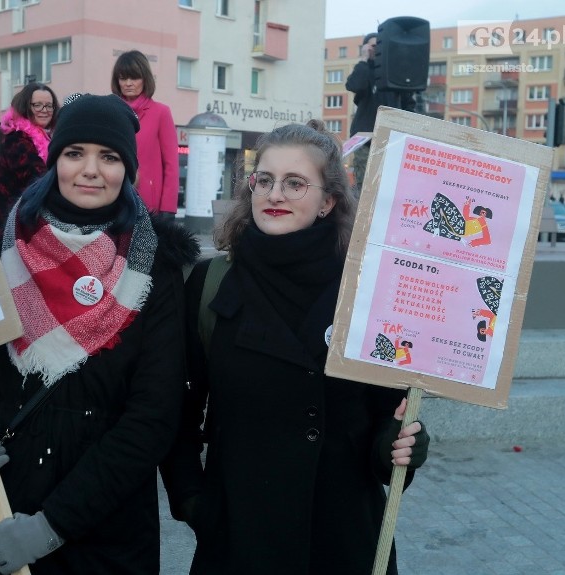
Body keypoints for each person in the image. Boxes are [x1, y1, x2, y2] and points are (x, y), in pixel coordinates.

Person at [160, 121, 430, 574]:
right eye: (263, 180)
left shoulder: (366, 289)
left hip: (342, 539)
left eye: (294, 183)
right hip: (241, 537)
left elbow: (387, 411)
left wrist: (399, 446)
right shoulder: (211, 284)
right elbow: (178, 407)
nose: (275, 194)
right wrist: (193, 500)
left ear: (328, 201)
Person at [0, 94, 199, 574]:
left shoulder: (155, 267)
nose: (90, 169)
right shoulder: (4, 248)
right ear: (54, 160)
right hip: (4, 505)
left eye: (109, 157)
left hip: (105, 526)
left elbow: (153, 416)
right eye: (74, 153)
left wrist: (52, 525)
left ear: (128, 169)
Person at [0, 82, 59, 249]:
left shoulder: (46, 137)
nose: (44, 110)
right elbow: (38, 176)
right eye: (37, 105)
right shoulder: (17, 139)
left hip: (20, 225)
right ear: (26, 106)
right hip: (4, 230)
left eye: (49, 105)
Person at [111, 50, 179, 220]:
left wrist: (168, 208)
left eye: (134, 77)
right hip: (113, 197)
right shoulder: (111, 111)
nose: (128, 83)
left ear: (145, 79)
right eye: (123, 78)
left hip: (148, 202)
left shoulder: (160, 112)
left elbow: (171, 164)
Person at [346, 32, 415, 197]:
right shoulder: (364, 70)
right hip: (366, 141)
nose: (377, 49)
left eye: (380, 46)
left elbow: (409, 105)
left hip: (393, 141)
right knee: (366, 188)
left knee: (390, 187)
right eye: (373, 45)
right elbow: (354, 84)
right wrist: (364, 59)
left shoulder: (395, 73)